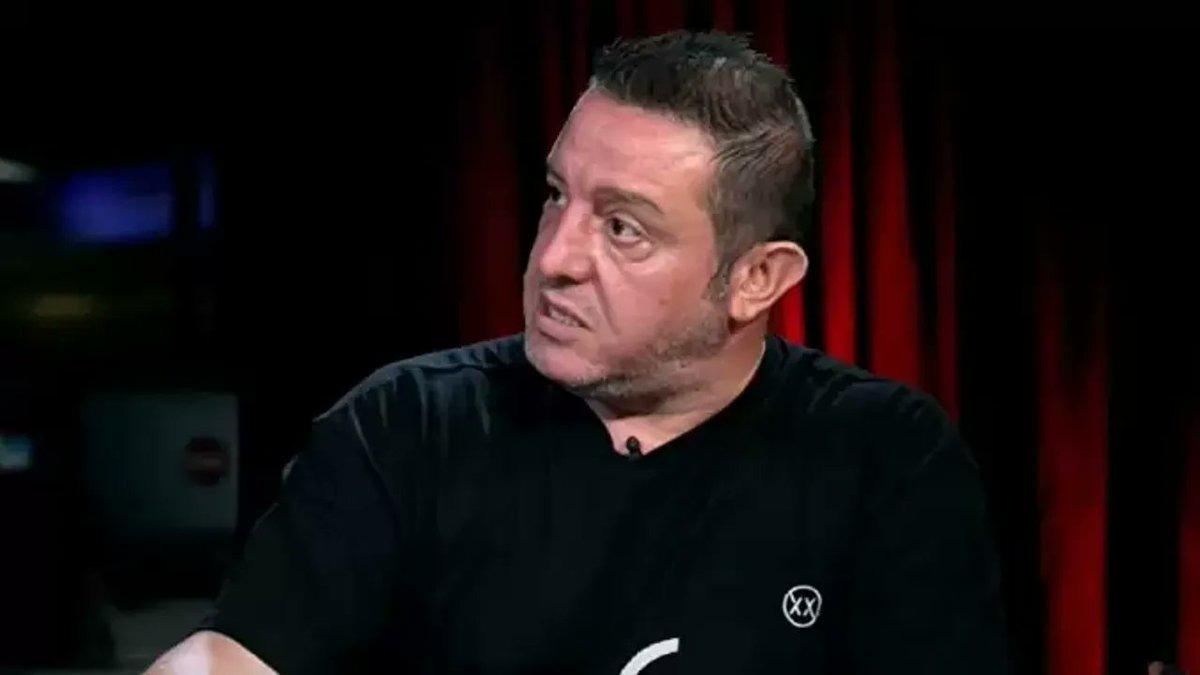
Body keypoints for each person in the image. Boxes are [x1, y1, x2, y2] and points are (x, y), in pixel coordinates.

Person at [148, 30, 1009, 674]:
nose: (556, 257)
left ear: (756, 279)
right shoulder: (407, 426)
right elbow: (237, 654)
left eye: (623, 227)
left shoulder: (886, 460)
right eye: (557, 196)